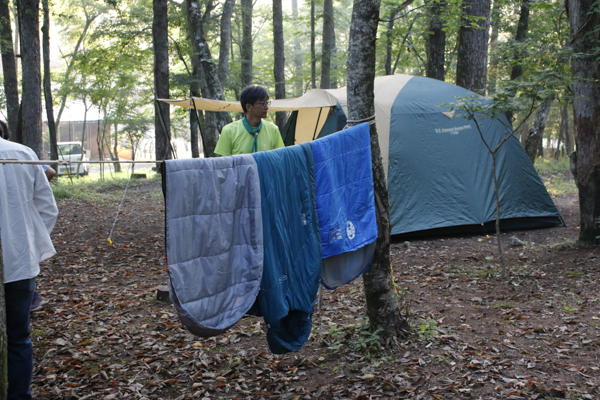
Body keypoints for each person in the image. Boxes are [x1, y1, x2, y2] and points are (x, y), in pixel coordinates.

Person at [0, 120, 59, 399]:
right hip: (20, 263)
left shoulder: (23, 155)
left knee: (18, 338)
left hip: (20, 265)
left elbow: (48, 208)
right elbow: (48, 211)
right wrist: (27, 247)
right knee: (17, 339)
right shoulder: (23, 154)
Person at [214, 85, 285, 156]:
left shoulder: (273, 129)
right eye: (263, 103)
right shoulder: (229, 131)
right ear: (249, 107)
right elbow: (223, 163)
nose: (266, 107)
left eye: (267, 103)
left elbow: (280, 158)